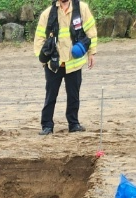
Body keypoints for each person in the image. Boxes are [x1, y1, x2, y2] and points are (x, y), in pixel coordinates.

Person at [33, 0, 98, 135]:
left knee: (74, 96)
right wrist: (43, 59)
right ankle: (47, 125)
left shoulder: (82, 8)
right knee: (50, 96)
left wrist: (92, 53)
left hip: (74, 63)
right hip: (54, 64)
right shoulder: (47, 14)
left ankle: (73, 124)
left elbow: (91, 32)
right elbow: (39, 37)